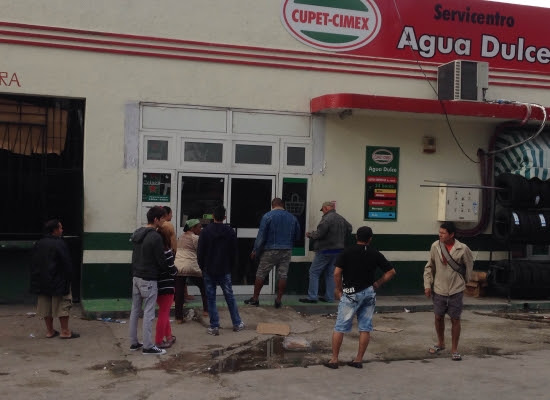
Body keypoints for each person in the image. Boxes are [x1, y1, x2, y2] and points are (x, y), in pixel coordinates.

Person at [324, 226, 395, 369]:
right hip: (369, 293)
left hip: (350, 294)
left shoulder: (346, 252)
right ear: (370, 239)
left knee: (340, 327)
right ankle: (358, 360)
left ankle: (334, 360)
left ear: (356, 237)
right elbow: (391, 272)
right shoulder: (375, 253)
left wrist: (338, 289)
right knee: (365, 328)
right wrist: (377, 283)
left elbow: (337, 273)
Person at [423, 221, 474, 362]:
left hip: (456, 289)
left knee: (455, 319)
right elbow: (429, 267)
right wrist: (427, 284)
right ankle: (440, 342)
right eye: (439, 233)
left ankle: (454, 349)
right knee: (438, 317)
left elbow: (469, 266)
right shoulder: (435, 246)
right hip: (439, 289)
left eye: (443, 233)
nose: (440, 235)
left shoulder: (462, 249)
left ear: (451, 234)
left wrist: (465, 282)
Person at [244, 198, 301, 308]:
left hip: (270, 250)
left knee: (261, 273)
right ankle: (278, 300)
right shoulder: (292, 218)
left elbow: (261, 235)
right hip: (287, 250)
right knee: (283, 275)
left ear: (272, 205)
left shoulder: (267, 216)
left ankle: (255, 299)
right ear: (282, 205)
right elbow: (297, 235)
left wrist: (255, 250)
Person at [197, 205, 244, 336]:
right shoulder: (230, 232)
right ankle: (236, 323)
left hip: (209, 269)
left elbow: (200, 252)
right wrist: (232, 268)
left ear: (213, 216)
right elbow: (234, 252)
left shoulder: (205, 232)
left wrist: (202, 267)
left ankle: (214, 326)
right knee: (230, 296)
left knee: (211, 298)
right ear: (224, 217)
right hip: (224, 269)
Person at [30, 219, 80, 339]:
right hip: (59, 281)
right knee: (63, 305)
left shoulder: (39, 243)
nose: (62, 230)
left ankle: (50, 331)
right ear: (55, 230)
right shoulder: (60, 243)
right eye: (60, 228)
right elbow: (66, 263)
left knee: (45, 307)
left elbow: (34, 263)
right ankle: (65, 331)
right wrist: (70, 279)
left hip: (42, 281)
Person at [129, 206, 169, 355]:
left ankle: (133, 342)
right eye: (163, 219)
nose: (164, 222)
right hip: (149, 278)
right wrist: (168, 271)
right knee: (149, 312)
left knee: (135, 310)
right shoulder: (155, 237)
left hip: (136, 276)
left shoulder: (138, 233)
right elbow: (161, 260)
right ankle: (148, 346)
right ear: (156, 219)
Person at [300, 201, 352, 303]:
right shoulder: (341, 218)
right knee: (330, 274)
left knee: (314, 272)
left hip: (325, 250)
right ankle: (329, 297)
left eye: (323, 210)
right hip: (338, 251)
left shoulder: (327, 219)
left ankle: (312, 297)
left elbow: (319, 234)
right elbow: (350, 228)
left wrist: (310, 234)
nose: (322, 212)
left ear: (327, 208)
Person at [174, 219, 208, 323]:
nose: (201, 229)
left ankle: (179, 317)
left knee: (179, 292)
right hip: (191, 266)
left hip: (178, 267)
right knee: (204, 287)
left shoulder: (180, 237)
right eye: (199, 227)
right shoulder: (195, 238)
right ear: (193, 228)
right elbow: (201, 252)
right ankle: (206, 310)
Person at [155, 224, 178, 348]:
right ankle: (159, 341)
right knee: (164, 314)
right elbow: (172, 269)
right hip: (167, 286)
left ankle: (169, 337)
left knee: (164, 312)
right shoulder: (167, 252)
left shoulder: (155, 252)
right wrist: (176, 271)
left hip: (156, 285)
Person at [163, 205, 194, 302]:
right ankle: (178, 297)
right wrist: (175, 253)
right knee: (177, 276)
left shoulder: (160, 225)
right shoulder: (168, 225)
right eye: (171, 214)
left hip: (162, 254)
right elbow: (172, 242)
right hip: (170, 253)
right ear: (167, 214)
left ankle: (183, 295)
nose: (172, 216)